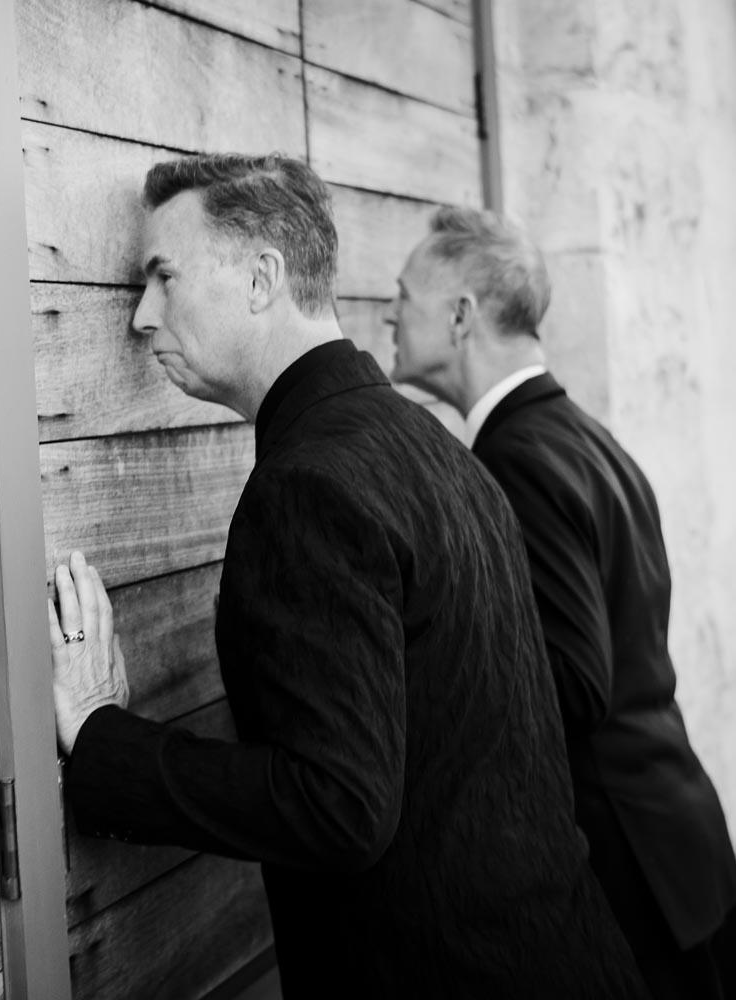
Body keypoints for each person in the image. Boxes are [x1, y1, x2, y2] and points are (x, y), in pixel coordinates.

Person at [46, 152, 648, 998]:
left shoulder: (311, 484)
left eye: (162, 276)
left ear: (262, 278)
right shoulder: (432, 445)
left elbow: (336, 805)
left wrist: (101, 735)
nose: (142, 316)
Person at [387, 205, 736, 998]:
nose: (389, 313)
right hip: (680, 841)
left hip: (633, 871)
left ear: (461, 315)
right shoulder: (584, 436)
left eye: (403, 295)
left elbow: (573, 681)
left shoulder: (519, 458)